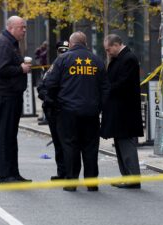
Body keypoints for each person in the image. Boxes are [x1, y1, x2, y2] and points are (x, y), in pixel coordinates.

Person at [44, 31, 107, 192]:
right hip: (91, 112)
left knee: (70, 146)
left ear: (71, 44)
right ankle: (92, 182)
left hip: (67, 111)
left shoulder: (63, 59)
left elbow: (50, 83)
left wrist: (53, 102)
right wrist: (99, 107)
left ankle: (71, 181)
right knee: (90, 147)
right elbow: (105, 88)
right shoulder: (97, 61)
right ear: (85, 43)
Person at [0, 16, 32, 183]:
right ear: (12, 27)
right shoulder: (3, 43)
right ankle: (6, 175)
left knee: (11, 136)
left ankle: (13, 173)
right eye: (22, 27)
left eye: (25, 27)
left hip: (12, 95)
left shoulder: (10, 43)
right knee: (6, 135)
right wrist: (20, 69)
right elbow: (1, 69)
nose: (24, 30)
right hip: (6, 95)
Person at [100, 34, 143, 189]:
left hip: (125, 111)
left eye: (109, 49)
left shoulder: (128, 59)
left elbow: (122, 84)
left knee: (126, 145)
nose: (108, 52)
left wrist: (106, 90)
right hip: (119, 110)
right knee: (119, 144)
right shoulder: (119, 59)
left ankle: (132, 178)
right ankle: (126, 176)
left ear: (117, 44)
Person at [37, 40, 69, 180]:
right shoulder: (54, 66)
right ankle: (62, 172)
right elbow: (42, 87)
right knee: (58, 143)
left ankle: (69, 173)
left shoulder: (72, 66)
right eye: (61, 51)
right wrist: (48, 100)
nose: (63, 53)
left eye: (65, 50)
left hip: (66, 110)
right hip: (54, 109)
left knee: (67, 143)